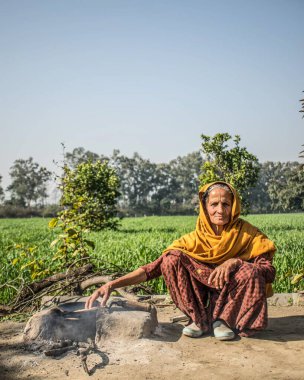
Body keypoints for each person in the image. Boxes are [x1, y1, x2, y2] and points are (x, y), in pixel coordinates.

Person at [85, 181, 276, 340]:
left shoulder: (248, 234)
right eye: (214, 204)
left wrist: (235, 262)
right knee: (171, 259)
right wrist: (112, 284)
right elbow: (153, 268)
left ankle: (223, 320)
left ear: (233, 206)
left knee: (250, 270)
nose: (220, 210)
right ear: (205, 207)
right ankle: (199, 320)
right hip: (200, 289)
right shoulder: (192, 240)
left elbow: (268, 270)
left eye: (225, 204)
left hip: (231, 293)